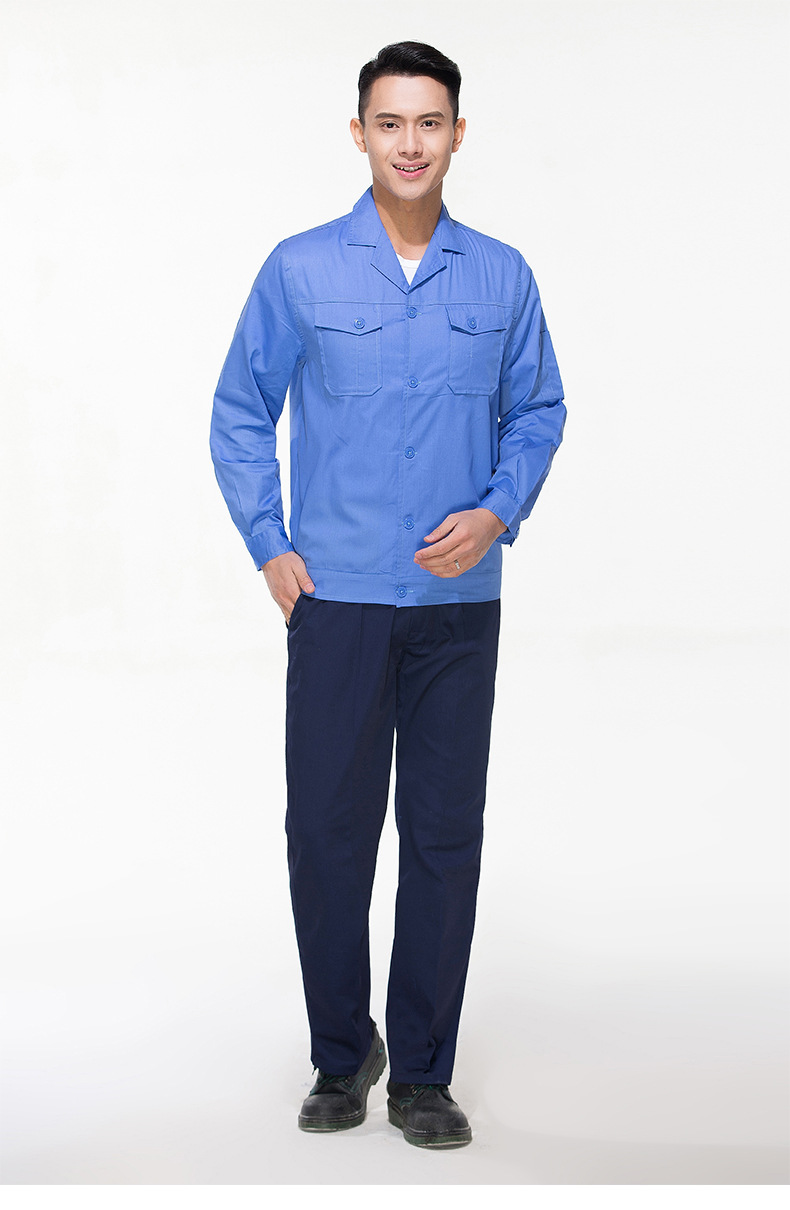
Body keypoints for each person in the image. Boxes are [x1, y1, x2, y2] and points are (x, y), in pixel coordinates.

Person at [210, 40, 566, 1150]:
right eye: (390, 122)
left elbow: (539, 409)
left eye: (429, 122)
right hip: (339, 600)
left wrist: (498, 510)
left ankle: (421, 1073)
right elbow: (239, 409)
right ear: (359, 133)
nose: (410, 142)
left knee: (443, 835)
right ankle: (339, 1053)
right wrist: (269, 544)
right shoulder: (300, 269)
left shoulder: (501, 276)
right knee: (325, 833)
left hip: (458, 606)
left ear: (458, 134)